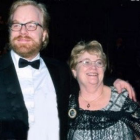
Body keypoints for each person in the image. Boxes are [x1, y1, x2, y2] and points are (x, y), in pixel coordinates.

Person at [0, 0, 136, 140]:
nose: (23, 31)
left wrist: (113, 81)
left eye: (31, 25)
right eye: (16, 25)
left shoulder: (59, 71)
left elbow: (83, 80)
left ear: (44, 34)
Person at [67, 40, 140, 140]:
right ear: (74, 71)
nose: (93, 67)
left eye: (99, 62)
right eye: (86, 62)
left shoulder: (122, 99)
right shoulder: (67, 102)